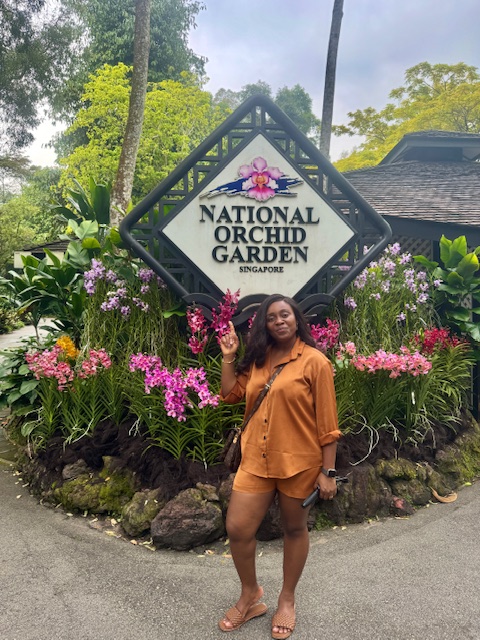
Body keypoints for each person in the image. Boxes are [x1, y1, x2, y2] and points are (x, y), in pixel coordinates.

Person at [218, 294, 341, 639]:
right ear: (265, 325)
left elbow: (328, 424)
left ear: (297, 319)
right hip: (255, 460)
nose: (279, 321)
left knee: (294, 529)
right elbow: (229, 394)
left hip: (299, 463)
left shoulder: (315, 362)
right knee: (238, 528)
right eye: (271, 317)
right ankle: (250, 594)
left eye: (284, 314)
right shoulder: (259, 359)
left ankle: (287, 599)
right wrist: (229, 357)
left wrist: (328, 472)